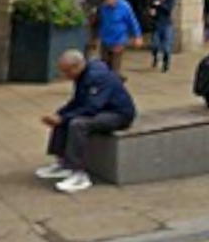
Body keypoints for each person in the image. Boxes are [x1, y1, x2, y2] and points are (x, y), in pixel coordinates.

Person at [35, 50, 137, 194]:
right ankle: (63, 163)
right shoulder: (82, 75)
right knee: (63, 118)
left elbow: (92, 106)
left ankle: (79, 174)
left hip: (118, 114)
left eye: (66, 71)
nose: (65, 75)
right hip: (102, 109)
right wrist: (59, 115)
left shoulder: (97, 77)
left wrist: (64, 118)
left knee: (78, 124)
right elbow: (77, 101)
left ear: (77, 66)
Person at [95, 0, 143, 77]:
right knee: (104, 66)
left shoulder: (124, 6)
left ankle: (114, 80)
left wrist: (137, 36)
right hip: (105, 40)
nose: (106, 0)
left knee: (115, 66)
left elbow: (133, 22)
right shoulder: (103, 7)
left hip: (118, 40)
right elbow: (99, 22)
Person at [148, 0, 176, 72]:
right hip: (156, 24)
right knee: (154, 45)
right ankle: (155, 58)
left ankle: (166, 63)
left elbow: (168, 9)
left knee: (167, 46)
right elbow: (151, 7)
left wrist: (160, 4)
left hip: (167, 25)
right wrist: (151, 12)